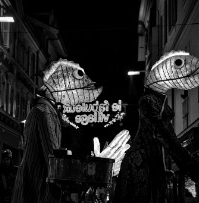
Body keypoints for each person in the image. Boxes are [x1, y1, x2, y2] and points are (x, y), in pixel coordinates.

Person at [11, 59, 130, 203]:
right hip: (37, 188)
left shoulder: (45, 111)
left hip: (35, 185)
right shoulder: (45, 112)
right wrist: (86, 170)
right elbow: (54, 158)